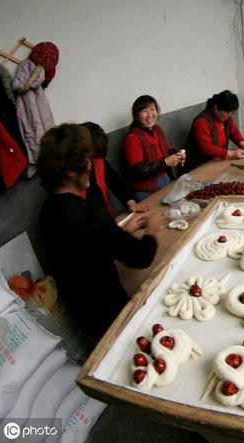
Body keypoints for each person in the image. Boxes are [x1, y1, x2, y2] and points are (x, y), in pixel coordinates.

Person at [38, 123, 163, 342]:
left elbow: (85, 249)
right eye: (88, 159)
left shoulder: (47, 210)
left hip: (80, 310)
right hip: (106, 306)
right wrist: (151, 231)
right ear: (71, 171)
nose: (92, 165)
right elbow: (140, 256)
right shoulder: (88, 213)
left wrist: (118, 232)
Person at [124, 95, 185, 201]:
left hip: (166, 179)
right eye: (144, 111)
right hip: (146, 189)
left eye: (152, 109)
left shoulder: (157, 129)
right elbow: (137, 171)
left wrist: (178, 155)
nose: (150, 115)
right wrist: (165, 162)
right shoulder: (133, 137)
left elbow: (167, 152)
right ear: (136, 115)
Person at [80, 121, 146, 215]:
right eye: (91, 157)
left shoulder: (99, 160)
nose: (93, 161)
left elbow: (115, 180)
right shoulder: (71, 176)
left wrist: (131, 202)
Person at [183, 90, 244, 171]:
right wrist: (230, 153)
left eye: (231, 113)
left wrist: (242, 143)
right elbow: (206, 147)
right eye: (226, 113)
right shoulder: (202, 121)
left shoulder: (227, 118)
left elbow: (234, 133)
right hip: (200, 164)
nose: (228, 116)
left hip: (217, 160)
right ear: (216, 108)